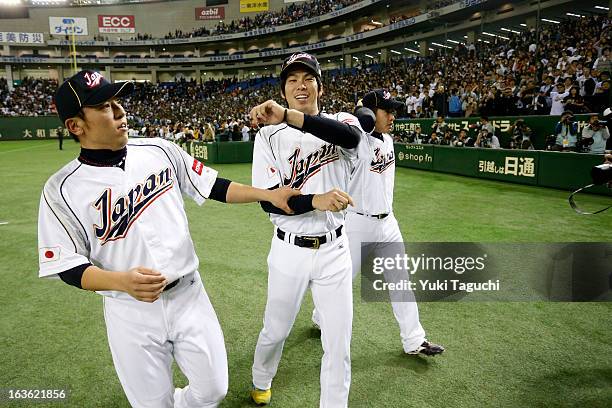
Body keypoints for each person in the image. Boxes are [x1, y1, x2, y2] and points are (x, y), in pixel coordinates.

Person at [37, 70, 299, 408]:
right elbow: (67, 265)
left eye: (118, 101)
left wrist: (269, 194)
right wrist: (119, 281)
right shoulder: (62, 190)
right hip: (130, 311)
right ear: (76, 126)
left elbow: (213, 185)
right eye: (103, 106)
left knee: (213, 390)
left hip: (189, 295)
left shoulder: (160, 149)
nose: (119, 112)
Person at [249, 52, 361, 407]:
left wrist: (289, 117)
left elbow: (351, 139)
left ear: (319, 86)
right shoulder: (268, 136)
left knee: (338, 343)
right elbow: (267, 200)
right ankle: (261, 377)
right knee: (275, 329)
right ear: (284, 90)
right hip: (289, 249)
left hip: (334, 250)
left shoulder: (341, 121)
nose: (301, 85)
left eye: (308, 78)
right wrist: (316, 200)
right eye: (292, 80)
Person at [330, 89, 444, 356]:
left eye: (394, 111)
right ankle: (320, 318)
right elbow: (337, 120)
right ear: (370, 113)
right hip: (357, 224)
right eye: (387, 111)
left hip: (388, 223)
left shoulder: (389, 141)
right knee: (341, 281)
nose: (393, 116)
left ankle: (414, 340)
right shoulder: (354, 140)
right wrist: (360, 116)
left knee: (400, 280)